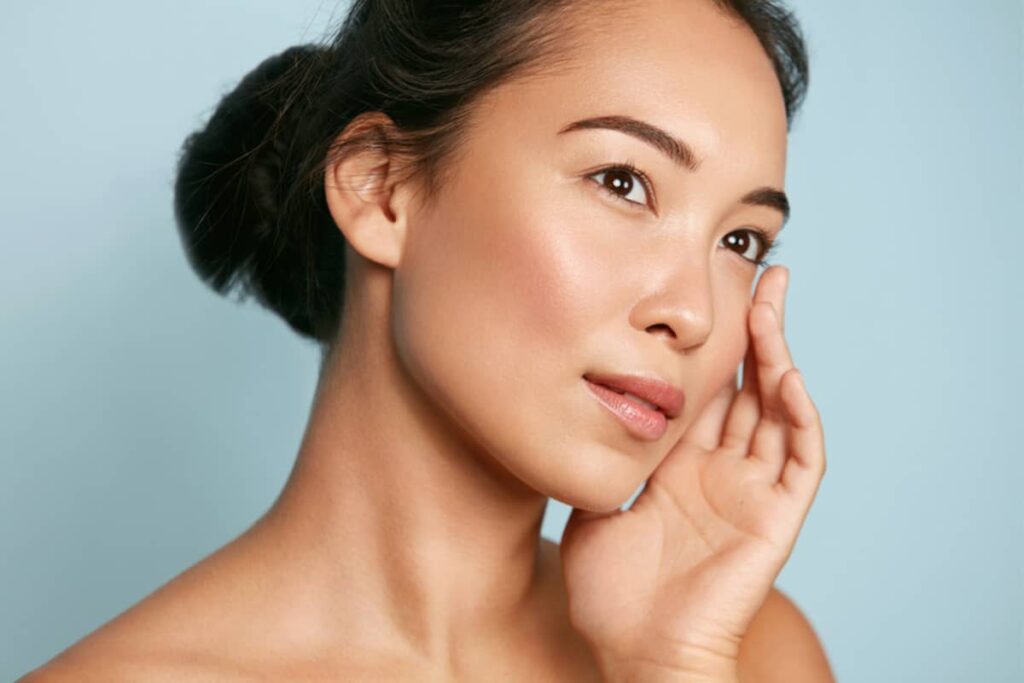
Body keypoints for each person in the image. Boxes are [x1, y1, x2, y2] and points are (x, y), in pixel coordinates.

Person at [23, 0, 833, 680]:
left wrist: (673, 666)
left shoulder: (742, 652)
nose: (692, 313)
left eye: (741, 241)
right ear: (381, 188)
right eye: (622, 182)